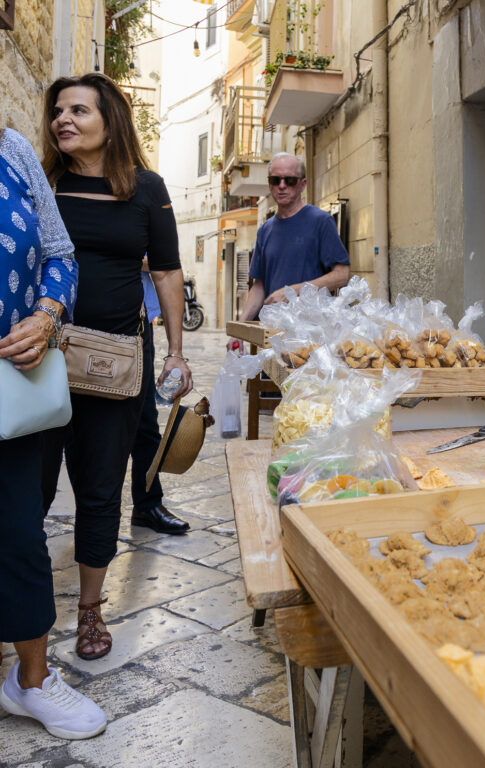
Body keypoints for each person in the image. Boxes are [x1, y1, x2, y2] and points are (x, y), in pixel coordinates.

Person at [40, 72, 193, 661]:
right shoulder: (43, 183)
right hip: (41, 359)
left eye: (79, 110)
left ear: (110, 121)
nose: (64, 120)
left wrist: (176, 350)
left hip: (112, 364)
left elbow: (167, 271)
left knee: (100, 490)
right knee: (29, 489)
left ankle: (89, 610)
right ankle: (21, 607)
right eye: (58, 111)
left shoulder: (145, 188)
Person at [0, 126, 106, 739]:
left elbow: (59, 255)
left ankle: (31, 680)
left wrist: (45, 316)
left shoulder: (12, 150)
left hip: (7, 386)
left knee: (16, 529)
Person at [237, 152, 350, 323]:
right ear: (269, 184)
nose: (282, 186)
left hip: (312, 331)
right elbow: (259, 286)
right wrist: (240, 327)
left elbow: (342, 275)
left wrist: (292, 291)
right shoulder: (264, 230)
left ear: (302, 184)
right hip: (273, 331)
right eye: (276, 180)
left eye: (289, 180)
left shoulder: (321, 221)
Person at [129, 257, 189, 534]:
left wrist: (175, 352)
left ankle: (148, 504)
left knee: (145, 419)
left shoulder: (144, 212)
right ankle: (92, 510)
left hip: (136, 320)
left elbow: (163, 265)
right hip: (81, 318)